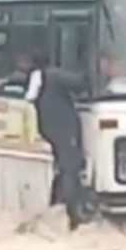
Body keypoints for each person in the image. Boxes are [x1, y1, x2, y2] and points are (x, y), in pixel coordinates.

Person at [20, 50, 89, 231]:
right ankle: (72, 214)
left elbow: (20, 80)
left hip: (48, 129)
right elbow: (80, 83)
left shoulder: (35, 78)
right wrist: (94, 67)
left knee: (62, 167)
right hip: (63, 128)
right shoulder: (55, 76)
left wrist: (5, 81)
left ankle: (57, 205)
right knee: (70, 168)